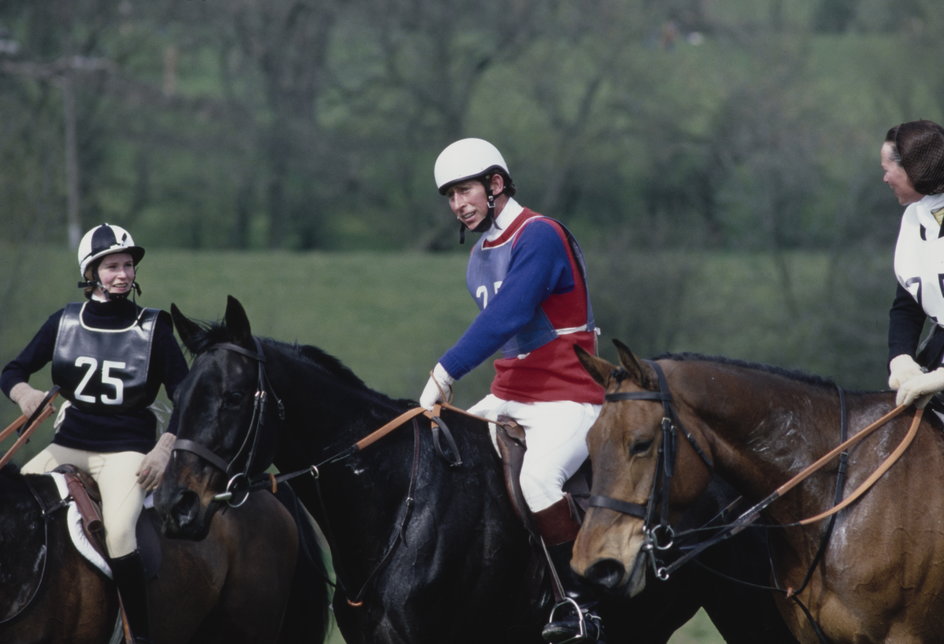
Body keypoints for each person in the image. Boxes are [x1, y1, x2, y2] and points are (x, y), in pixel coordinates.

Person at [419, 138, 605, 643]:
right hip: (512, 390)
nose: (458, 204)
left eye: (465, 190)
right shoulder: (479, 256)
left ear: (496, 184)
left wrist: (445, 372)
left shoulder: (540, 235)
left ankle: (581, 604)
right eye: (450, 196)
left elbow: (511, 315)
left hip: (570, 393)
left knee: (539, 481)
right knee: (441, 452)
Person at [1, 223, 188, 643]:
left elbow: (187, 398)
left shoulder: (155, 328)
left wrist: (163, 450)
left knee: (120, 534)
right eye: (111, 267)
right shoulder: (63, 321)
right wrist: (25, 393)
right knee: (12, 511)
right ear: (91, 273)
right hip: (68, 444)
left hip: (125, 453)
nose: (122, 274)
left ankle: (137, 635)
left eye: (127, 266)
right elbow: (12, 371)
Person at [883, 120, 944, 411]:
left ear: (913, 169)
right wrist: (901, 357)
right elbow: (908, 301)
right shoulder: (915, 219)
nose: (885, 179)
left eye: (887, 169)